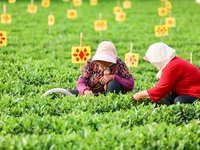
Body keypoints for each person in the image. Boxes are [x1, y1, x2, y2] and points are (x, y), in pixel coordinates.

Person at [133, 42, 200, 105]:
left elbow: (161, 89)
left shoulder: (172, 66)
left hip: (196, 94)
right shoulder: (173, 63)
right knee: (166, 97)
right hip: (184, 93)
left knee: (179, 101)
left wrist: (139, 95)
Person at [69, 41, 134, 96]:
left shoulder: (119, 64)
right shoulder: (91, 63)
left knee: (113, 83)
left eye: (106, 61)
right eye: (100, 60)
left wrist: (113, 77)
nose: (102, 63)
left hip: (111, 94)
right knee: (67, 93)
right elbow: (81, 81)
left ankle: (108, 101)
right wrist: (85, 90)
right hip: (93, 94)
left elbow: (130, 85)